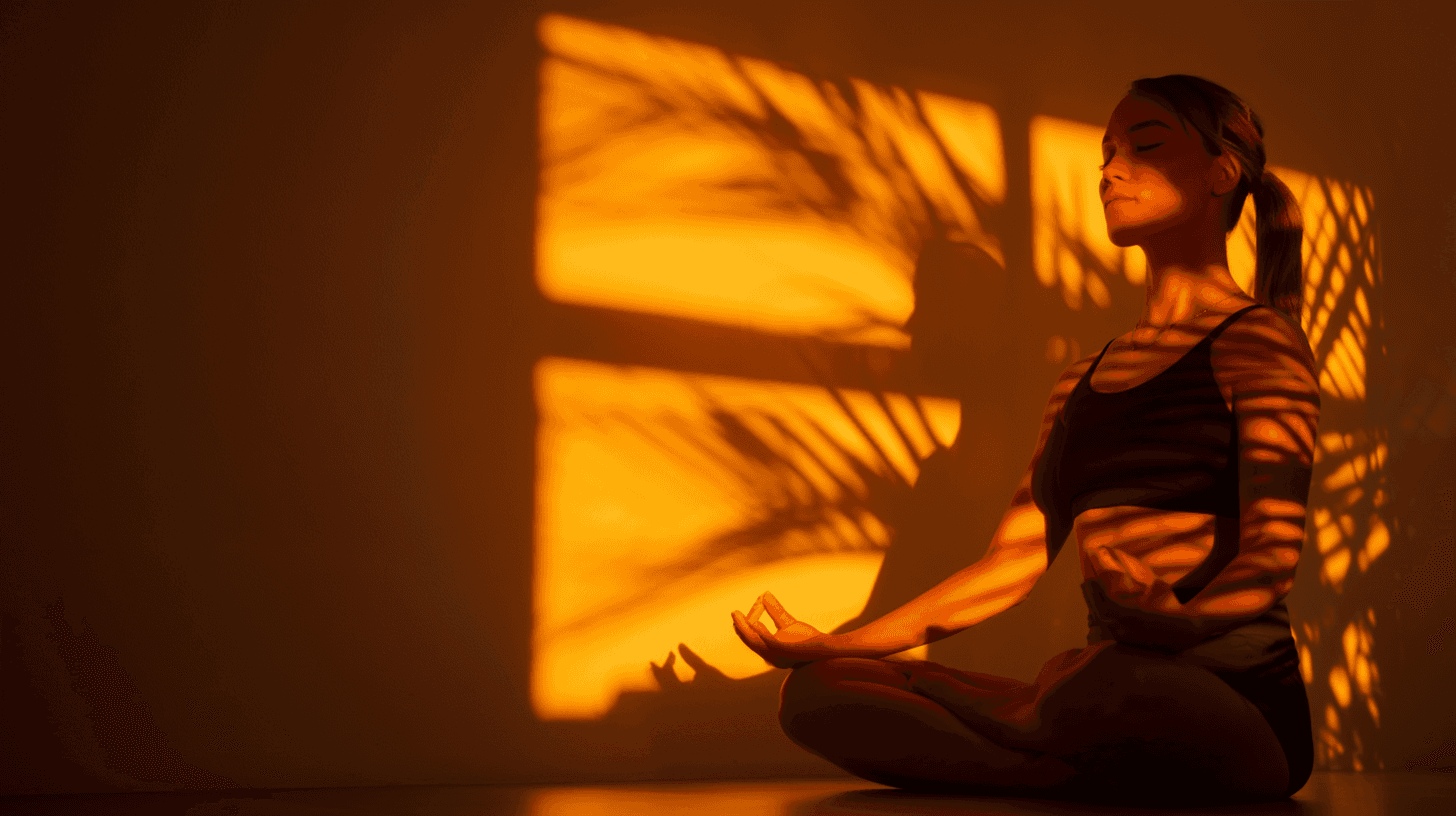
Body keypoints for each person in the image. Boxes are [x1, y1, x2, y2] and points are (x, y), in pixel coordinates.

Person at [731, 74, 1319, 805]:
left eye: (1144, 146)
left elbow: (1271, 555)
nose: (1111, 171)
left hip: (1222, 702)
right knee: (818, 694)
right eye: (1106, 153)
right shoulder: (1080, 382)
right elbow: (1008, 565)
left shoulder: (1259, 342)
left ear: (1222, 173)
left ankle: (1039, 726)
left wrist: (1180, 623)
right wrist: (833, 645)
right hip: (1099, 699)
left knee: (1104, 680)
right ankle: (1060, 764)